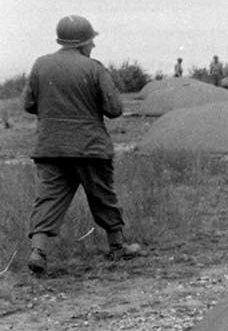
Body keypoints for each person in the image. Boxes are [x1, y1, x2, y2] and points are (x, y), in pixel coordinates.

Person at [23, 14, 141, 275]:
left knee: (48, 199)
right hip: (90, 147)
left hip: (50, 147)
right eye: (91, 41)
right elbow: (115, 109)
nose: (93, 46)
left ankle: (38, 252)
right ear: (82, 43)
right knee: (103, 196)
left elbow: (28, 104)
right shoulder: (94, 68)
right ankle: (118, 246)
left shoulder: (40, 65)